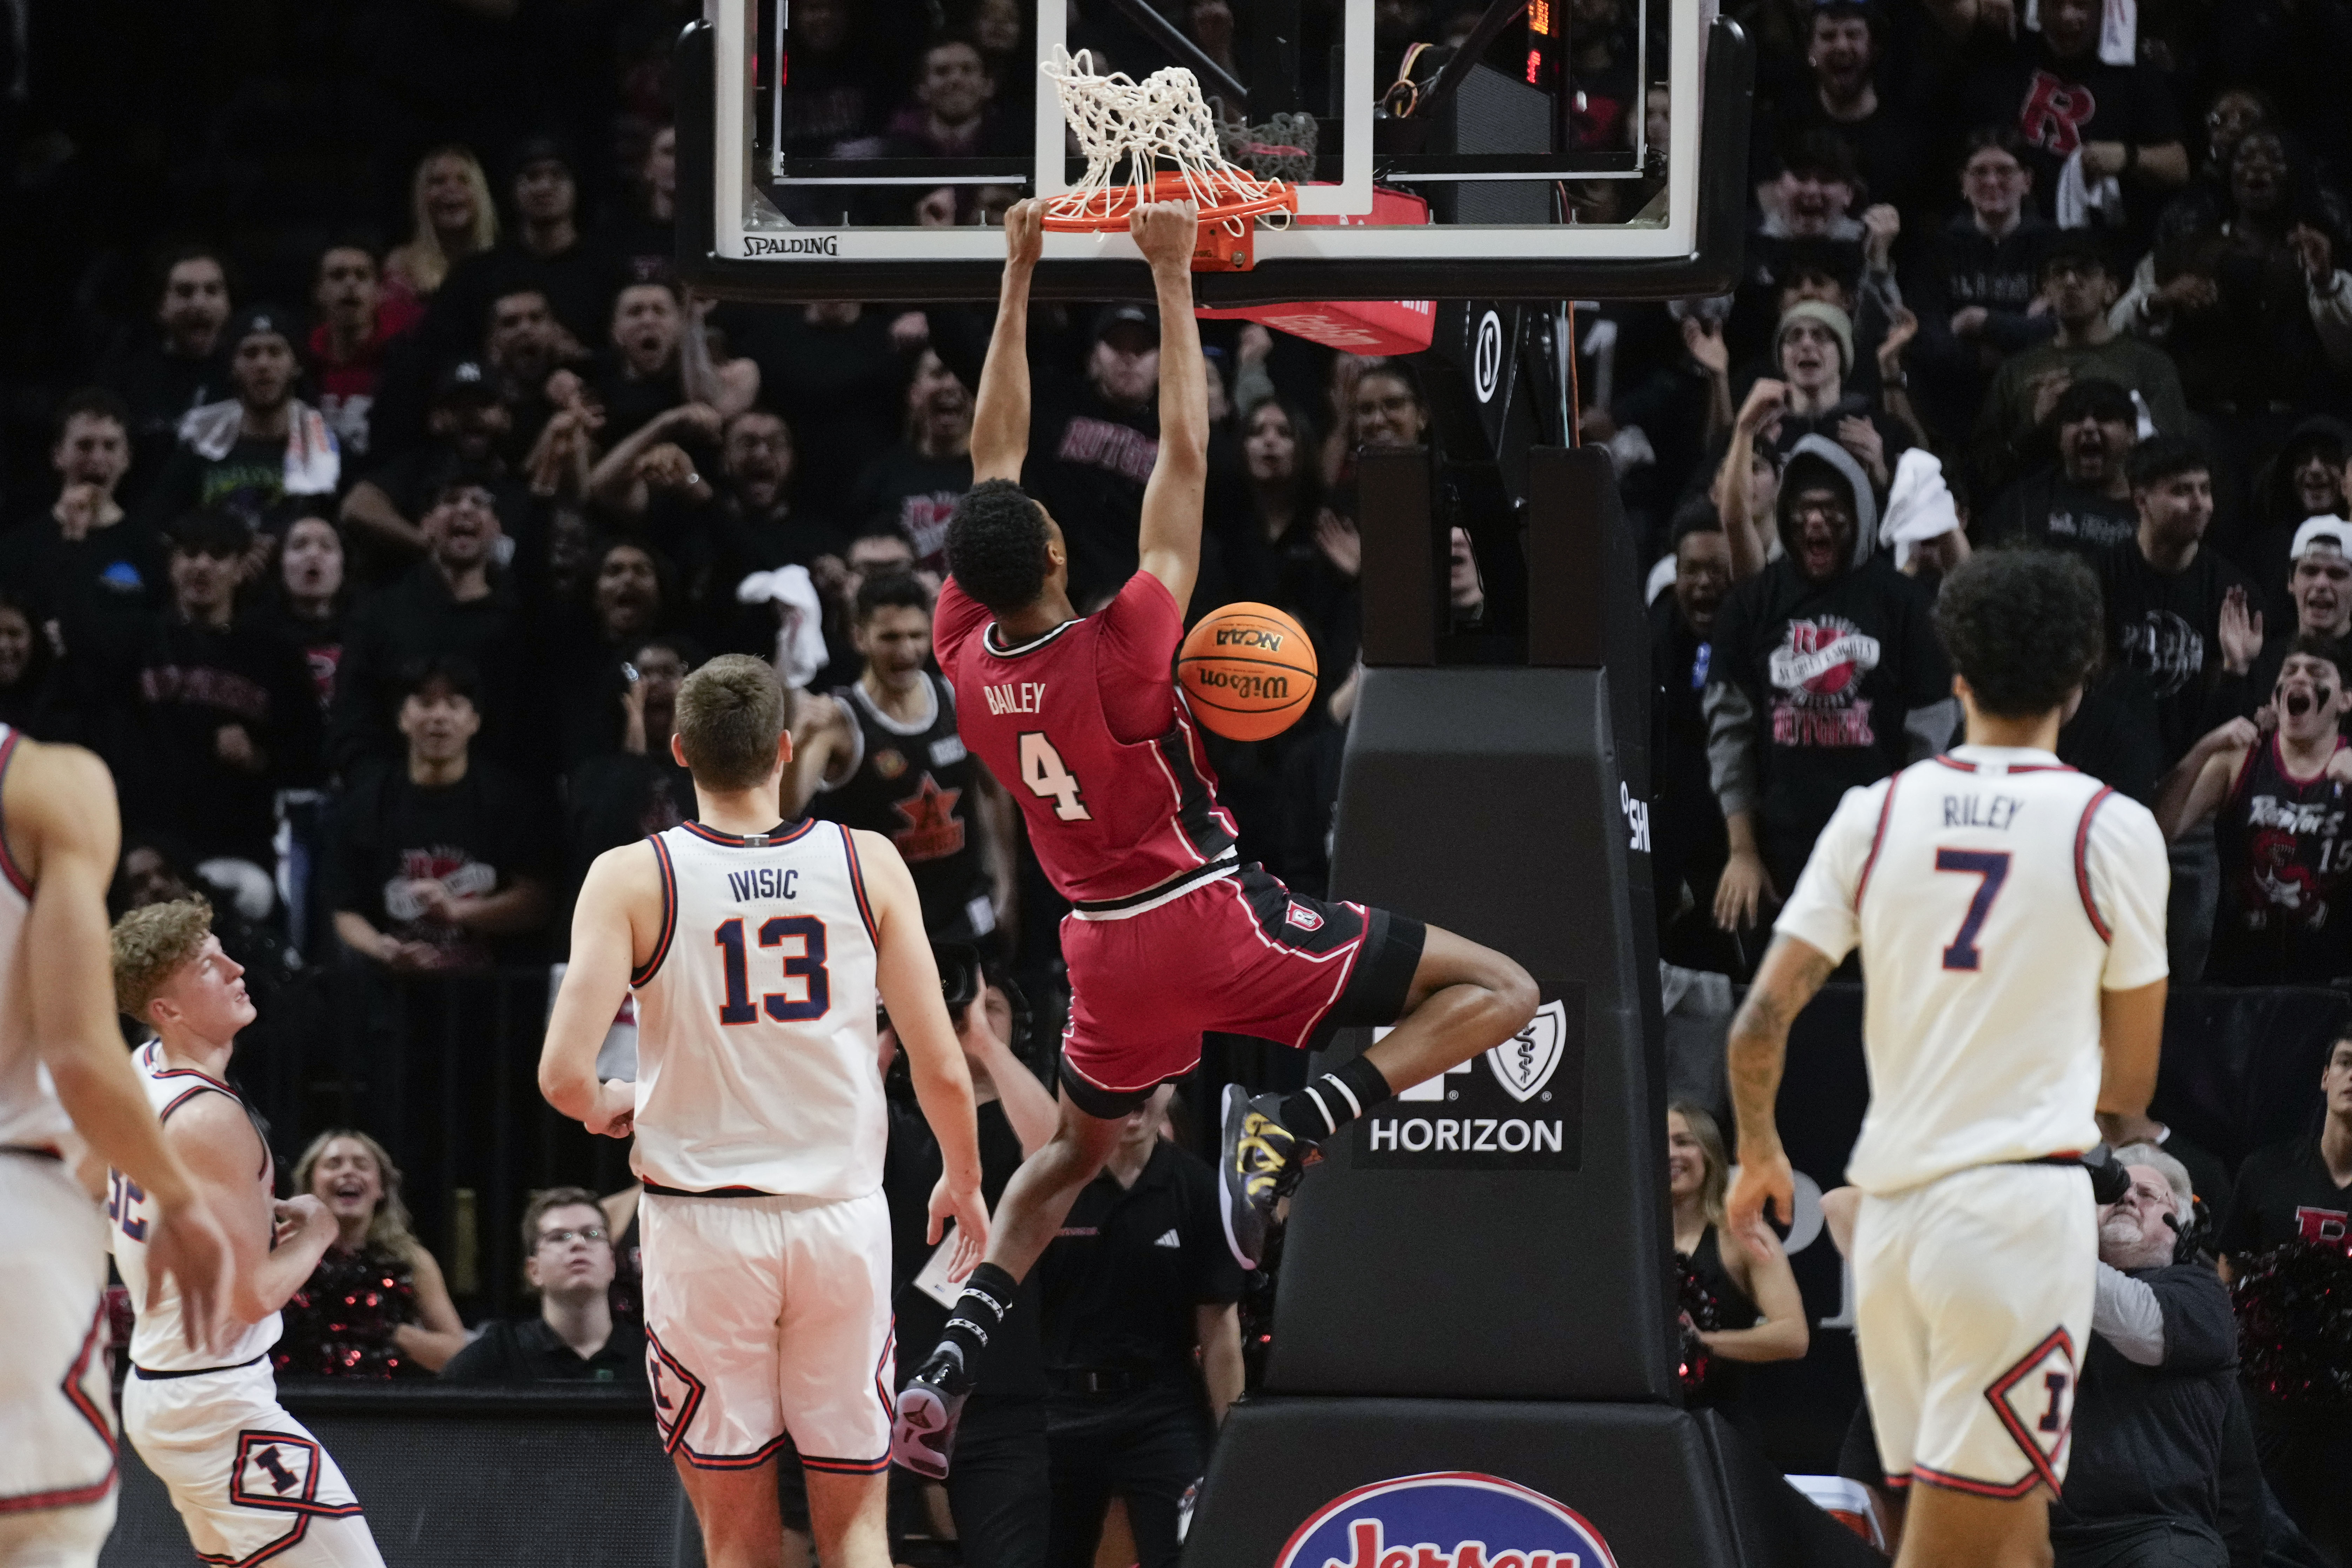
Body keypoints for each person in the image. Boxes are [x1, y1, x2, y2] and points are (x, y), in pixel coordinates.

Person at [891, 200, 1537, 1479]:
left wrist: (1015, 271)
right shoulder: (1123, 649)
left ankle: (938, 1377)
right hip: (1205, 917)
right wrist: (1172, 278)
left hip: (1098, 953)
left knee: (1069, 1154)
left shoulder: (961, 658)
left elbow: (990, 460)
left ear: (965, 578)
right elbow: (1183, 457)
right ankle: (1296, 1123)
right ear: (1059, 548)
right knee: (1504, 987)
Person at [1726, 547, 2169, 1568]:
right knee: (1963, 1543)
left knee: (2009, 1537)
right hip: (2013, 1219)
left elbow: (1757, 1026)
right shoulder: (2114, 827)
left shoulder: (1874, 813)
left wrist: (1756, 1149)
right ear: (2083, 673)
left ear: (1955, 672)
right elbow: (2131, 1088)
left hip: (1892, 1226)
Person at [538, 653, 990, 1568]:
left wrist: (615, 1101)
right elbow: (941, 1062)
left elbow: (561, 1076)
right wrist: (965, 1177)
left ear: (679, 752)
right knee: (861, 1526)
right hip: (840, 1221)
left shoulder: (632, 875)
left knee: (737, 1533)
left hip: (704, 1229)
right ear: (786, 750)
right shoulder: (868, 860)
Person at [0, 724, 231, 1566]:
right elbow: (77, 1051)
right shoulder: (45, 782)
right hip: (15, 1205)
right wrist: (173, 1194)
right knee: (39, 1543)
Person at [107, 897, 385, 1567]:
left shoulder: (143, 1070)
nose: (236, 967)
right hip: (215, 1401)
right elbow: (251, 1298)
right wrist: (318, 1227)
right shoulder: (208, 1118)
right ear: (167, 1011)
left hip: (170, 1388)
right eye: (208, 966)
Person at [1706, 436, 1956, 934]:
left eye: (1830, 510)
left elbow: (1932, 736)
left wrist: (1908, 848)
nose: (1816, 522)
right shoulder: (1752, 603)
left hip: (1882, 849)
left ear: (1859, 513)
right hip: (1779, 854)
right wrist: (1742, 850)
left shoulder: (1904, 605)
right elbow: (1729, 732)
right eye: (1803, 510)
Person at [1037, 1085, 1245, 1568]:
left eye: (1150, 1085)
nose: (1134, 1099)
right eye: (1121, 1083)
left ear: (1175, 1086)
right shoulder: (1046, 1183)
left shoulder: (1199, 1188)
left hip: (1161, 1412)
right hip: (1056, 1412)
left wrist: (1236, 1443)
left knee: (1187, 1558)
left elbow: (1220, 1334)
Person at [2048, 1146, 2250, 1568]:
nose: (2126, 1198)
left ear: (2180, 1227)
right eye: (2115, 1190)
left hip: (2157, 1533)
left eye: (2147, 1193)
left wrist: (2036, 1233)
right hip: (2045, 1530)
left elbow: (2137, 1319)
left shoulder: (2202, 1293)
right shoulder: (2046, 1287)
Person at [794, 574, 1012, 948]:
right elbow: (781, 811)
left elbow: (996, 794)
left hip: (963, 918)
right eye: (891, 638)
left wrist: (1007, 890)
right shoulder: (836, 721)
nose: (907, 651)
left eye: (916, 636)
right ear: (859, 637)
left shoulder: (958, 698)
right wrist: (797, 743)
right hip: (877, 930)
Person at [326, 656, 555, 972]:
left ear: (475, 721)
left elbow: (536, 903)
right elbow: (344, 910)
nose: (439, 716)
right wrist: (384, 950)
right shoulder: (366, 804)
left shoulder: (511, 802)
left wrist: (458, 911)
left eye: (454, 704)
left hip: (489, 995)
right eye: (424, 703)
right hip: (392, 997)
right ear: (402, 718)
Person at [2214, 1036, 2352, 1558]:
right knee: (2265, 1547)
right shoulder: (2266, 1170)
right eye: (2345, 1062)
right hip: (2273, 1411)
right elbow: (2228, 1274)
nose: (2351, 1075)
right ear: (2324, 1077)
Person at [2157, 638, 2352, 985]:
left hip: (2332, 985)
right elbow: (2158, 830)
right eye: (2290, 671)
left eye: (2317, 673)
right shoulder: (2238, 759)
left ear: (2345, 700)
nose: (2299, 679)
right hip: (2237, 978)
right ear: (2276, 693)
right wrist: (2203, 749)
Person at [1975, 237, 2192, 495]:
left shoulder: (2150, 365)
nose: (2070, 282)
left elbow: (2172, 460)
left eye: (2085, 271)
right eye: (2059, 273)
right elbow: (1983, 469)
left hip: (2123, 512)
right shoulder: (2016, 371)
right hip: (2034, 509)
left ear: (2111, 289)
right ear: (2045, 291)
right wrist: (2034, 425)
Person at [2098, 436, 2260, 773]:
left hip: (2195, 770)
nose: (2200, 503)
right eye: (2182, 491)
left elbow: (2232, 720)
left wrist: (2236, 669)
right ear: (2141, 501)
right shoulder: (2099, 579)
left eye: (2205, 489)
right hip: (2111, 762)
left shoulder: (2233, 592)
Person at [275, 1130, 469, 1379]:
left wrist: (387, 1330)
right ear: (310, 1186)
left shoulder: (410, 1260)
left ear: (382, 1188)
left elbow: (459, 1356)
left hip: (381, 1407)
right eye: (334, 1164)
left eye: (362, 1165)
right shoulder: (284, 1249)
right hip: (295, 1402)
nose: (348, 1172)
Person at [141, 305, 340, 541]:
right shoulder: (200, 449)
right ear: (233, 367)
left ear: (296, 366)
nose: (263, 364)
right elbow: (159, 525)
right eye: (250, 353)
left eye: (275, 352)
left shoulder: (322, 449)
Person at [1666, 1100, 1807, 1413]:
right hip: (1643, 1425)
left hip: (1718, 1430)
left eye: (1683, 1142)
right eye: (1660, 1145)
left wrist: (1700, 1342)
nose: (1671, 1154)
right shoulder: (1632, 1241)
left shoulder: (1742, 1236)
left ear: (1709, 1154)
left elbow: (1793, 1335)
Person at [441, 1187, 646, 1384]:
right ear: (534, 1271)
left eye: (592, 1234)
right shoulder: (498, 1356)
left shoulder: (653, 1357)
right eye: (559, 1237)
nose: (578, 1243)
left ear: (612, 1264)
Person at [94, 246, 234, 505]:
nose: (199, 303)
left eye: (212, 291)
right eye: (185, 292)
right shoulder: (127, 376)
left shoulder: (244, 374)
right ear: (160, 307)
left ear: (228, 304)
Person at [1982, 378, 2143, 558]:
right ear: (2059, 437)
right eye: (2076, 419)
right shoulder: (2021, 505)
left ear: (2132, 434)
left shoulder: (2155, 505)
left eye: (2104, 418)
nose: (2089, 427)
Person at [382, 147, 500, 309]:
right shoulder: (402, 266)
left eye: (463, 180)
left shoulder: (502, 265)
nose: (451, 188)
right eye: (438, 181)